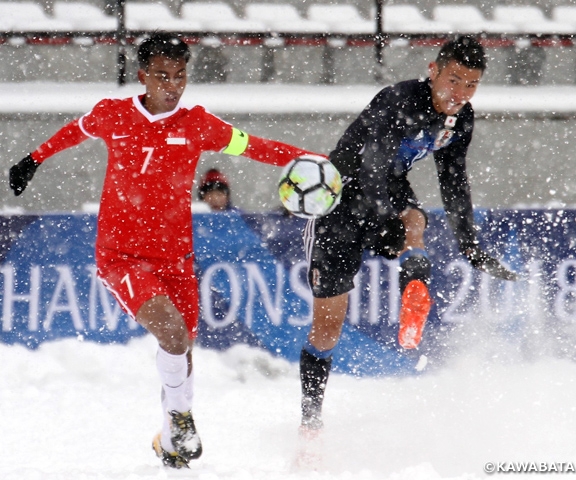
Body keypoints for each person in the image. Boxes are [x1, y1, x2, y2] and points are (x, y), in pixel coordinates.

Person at [8, 32, 319, 469]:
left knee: (183, 345)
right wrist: (33, 159)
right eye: (162, 76)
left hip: (176, 257)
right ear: (143, 76)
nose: (172, 85)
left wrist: (312, 158)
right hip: (122, 255)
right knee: (172, 335)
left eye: (180, 76)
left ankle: (171, 438)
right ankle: (180, 417)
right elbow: (73, 132)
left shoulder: (198, 125)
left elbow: (254, 146)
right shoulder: (113, 115)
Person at [299, 36, 517, 432]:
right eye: (454, 80)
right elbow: (371, 169)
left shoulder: (460, 119)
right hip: (342, 200)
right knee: (328, 328)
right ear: (433, 71)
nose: (461, 93)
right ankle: (310, 421)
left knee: (416, 218)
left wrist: (469, 244)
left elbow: (453, 180)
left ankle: (414, 281)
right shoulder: (398, 100)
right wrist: (388, 221)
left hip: (389, 188)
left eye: (471, 85)